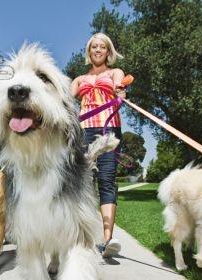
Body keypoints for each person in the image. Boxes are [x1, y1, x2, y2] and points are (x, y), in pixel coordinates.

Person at [71, 33, 126, 258]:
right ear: (89, 51)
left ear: (108, 52)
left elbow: (120, 88)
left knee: (106, 179)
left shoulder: (115, 73)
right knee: (82, 182)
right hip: (83, 131)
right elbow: (64, 98)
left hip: (108, 129)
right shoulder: (79, 79)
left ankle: (107, 240)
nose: (98, 50)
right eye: (94, 47)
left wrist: (121, 92)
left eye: (102, 47)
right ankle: (79, 236)